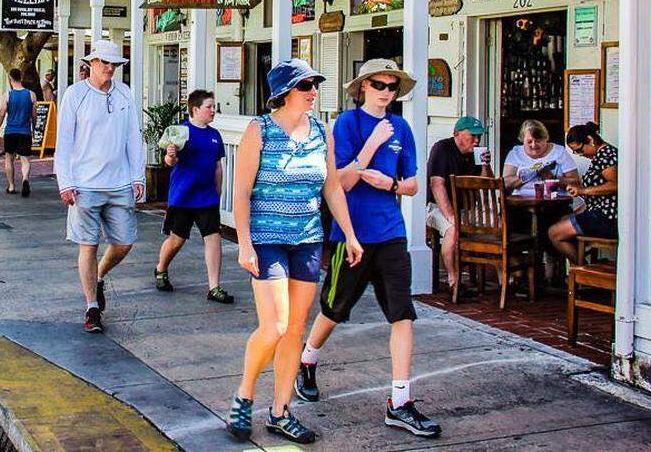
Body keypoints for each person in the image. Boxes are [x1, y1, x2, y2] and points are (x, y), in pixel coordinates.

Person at [297, 58, 441, 439]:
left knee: (402, 314)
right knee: (335, 309)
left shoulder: (403, 128)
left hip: (391, 233)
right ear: (363, 87)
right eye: (379, 85)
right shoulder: (346, 125)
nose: (387, 93)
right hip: (351, 236)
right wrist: (370, 149)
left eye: (393, 87)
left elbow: (412, 184)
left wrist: (390, 185)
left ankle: (400, 401)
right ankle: (307, 359)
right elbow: (339, 183)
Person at [226, 60, 360, 444]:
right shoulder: (260, 130)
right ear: (285, 92)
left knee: (296, 330)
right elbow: (241, 192)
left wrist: (349, 234)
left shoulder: (322, 131)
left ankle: (281, 411)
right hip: (267, 240)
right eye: (306, 86)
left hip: (307, 239)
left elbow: (331, 188)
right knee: (275, 326)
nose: (313, 91)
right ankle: (244, 394)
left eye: (315, 84)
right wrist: (245, 243)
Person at [55, 40, 145, 335]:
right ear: (91, 63)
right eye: (105, 63)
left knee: (124, 243)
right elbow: (64, 141)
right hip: (84, 185)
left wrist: (137, 176)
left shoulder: (124, 93)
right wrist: (65, 182)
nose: (110, 68)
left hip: (119, 182)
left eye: (114, 64)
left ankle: (100, 276)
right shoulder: (75, 95)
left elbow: (134, 136)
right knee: (88, 245)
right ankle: (92, 306)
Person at [155, 89, 233, 304]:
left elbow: (218, 166)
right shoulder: (181, 131)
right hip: (183, 196)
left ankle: (214, 287)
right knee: (176, 240)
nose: (212, 111)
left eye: (213, 107)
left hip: (207, 198)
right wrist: (170, 156)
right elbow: (169, 162)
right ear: (195, 109)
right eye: (209, 107)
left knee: (213, 238)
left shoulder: (214, 135)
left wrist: (218, 192)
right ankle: (161, 268)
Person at [426, 116, 493, 296]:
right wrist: (450, 216)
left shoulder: (475, 154)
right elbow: (436, 185)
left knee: (497, 225)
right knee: (453, 230)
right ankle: (454, 281)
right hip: (438, 206)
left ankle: (505, 280)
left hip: (468, 208)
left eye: (479, 136)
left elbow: (487, 184)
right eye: (473, 136)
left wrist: (485, 165)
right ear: (457, 134)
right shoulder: (442, 149)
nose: (477, 140)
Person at [547, 122, 618, 262]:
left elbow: (615, 185)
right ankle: (579, 271)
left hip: (606, 218)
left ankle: (581, 269)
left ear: (590, 140)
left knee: (554, 233)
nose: (581, 155)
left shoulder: (607, 155)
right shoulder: (600, 156)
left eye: (579, 150)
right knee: (562, 221)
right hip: (598, 211)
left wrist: (583, 190)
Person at [502, 120, 579, 196]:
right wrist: (529, 175)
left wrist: (552, 178)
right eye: (529, 141)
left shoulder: (559, 152)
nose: (534, 145)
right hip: (521, 202)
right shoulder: (515, 153)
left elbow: (576, 182)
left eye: (538, 141)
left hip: (554, 202)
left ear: (546, 138)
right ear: (522, 140)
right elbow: (505, 184)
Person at [0, 68, 37, 196]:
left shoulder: (7, 95)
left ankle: (12, 186)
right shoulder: (31, 94)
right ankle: (25, 179)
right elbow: (34, 115)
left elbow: (2, 113)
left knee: (9, 158)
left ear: (10, 79)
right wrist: (34, 128)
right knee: (25, 159)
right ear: (21, 78)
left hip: (11, 131)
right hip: (25, 131)